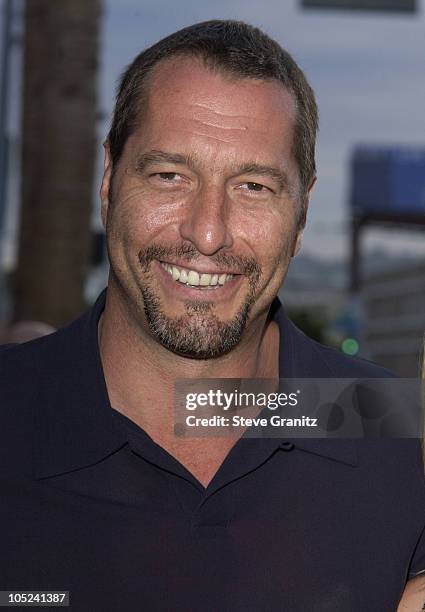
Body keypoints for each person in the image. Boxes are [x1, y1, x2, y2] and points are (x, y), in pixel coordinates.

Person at [1, 20, 424, 611]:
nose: (207, 232)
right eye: (170, 175)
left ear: (301, 215)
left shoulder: (397, 429)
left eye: (253, 186)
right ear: (108, 178)